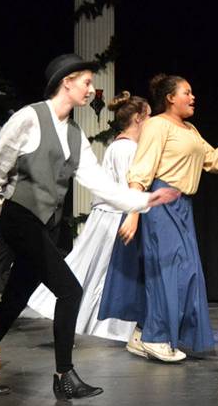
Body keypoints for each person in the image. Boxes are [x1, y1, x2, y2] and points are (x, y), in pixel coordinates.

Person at [0, 55, 177, 399]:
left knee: (14, 300)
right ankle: (64, 375)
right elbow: (0, 162)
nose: (91, 90)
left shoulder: (75, 134)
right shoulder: (29, 118)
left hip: (45, 224)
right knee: (70, 290)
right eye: (85, 82)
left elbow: (98, 182)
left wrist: (143, 201)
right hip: (19, 217)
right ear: (66, 81)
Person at [110, 74, 218, 363]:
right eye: (187, 92)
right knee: (167, 271)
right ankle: (157, 337)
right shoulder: (157, 125)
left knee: (187, 272)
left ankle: (143, 332)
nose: (193, 97)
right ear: (171, 97)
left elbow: (217, 162)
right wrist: (134, 213)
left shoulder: (191, 130)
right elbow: (141, 170)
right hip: (159, 202)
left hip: (182, 206)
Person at [24, 93, 150, 342]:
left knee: (96, 270)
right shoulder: (127, 148)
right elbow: (130, 187)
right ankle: (107, 324)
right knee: (101, 270)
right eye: (149, 117)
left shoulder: (119, 145)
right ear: (138, 118)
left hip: (109, 216)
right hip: (115, 217)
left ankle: (102, 322)